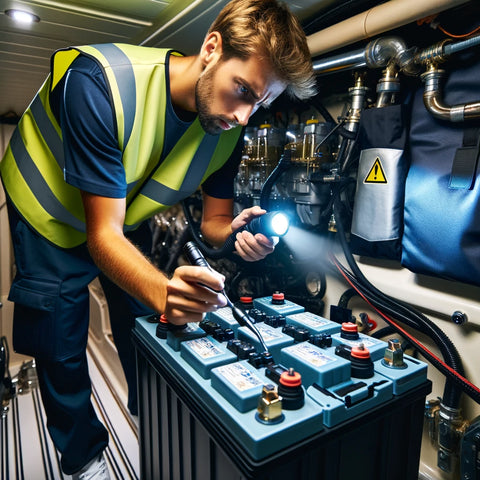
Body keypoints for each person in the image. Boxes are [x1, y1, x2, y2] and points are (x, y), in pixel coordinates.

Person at [0, 0, 316, 477]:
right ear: (211, 48)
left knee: (147, 322)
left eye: (261, 103)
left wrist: (235, 237)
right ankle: (84, 460)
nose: (246, 115)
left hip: (119, 213)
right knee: (59, 341)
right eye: (243, 90)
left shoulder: (228, 132)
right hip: (46, 212)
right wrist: (166, 291)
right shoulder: (98, 82)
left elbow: (214, 221)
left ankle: (151, 415)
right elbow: (100, 236)